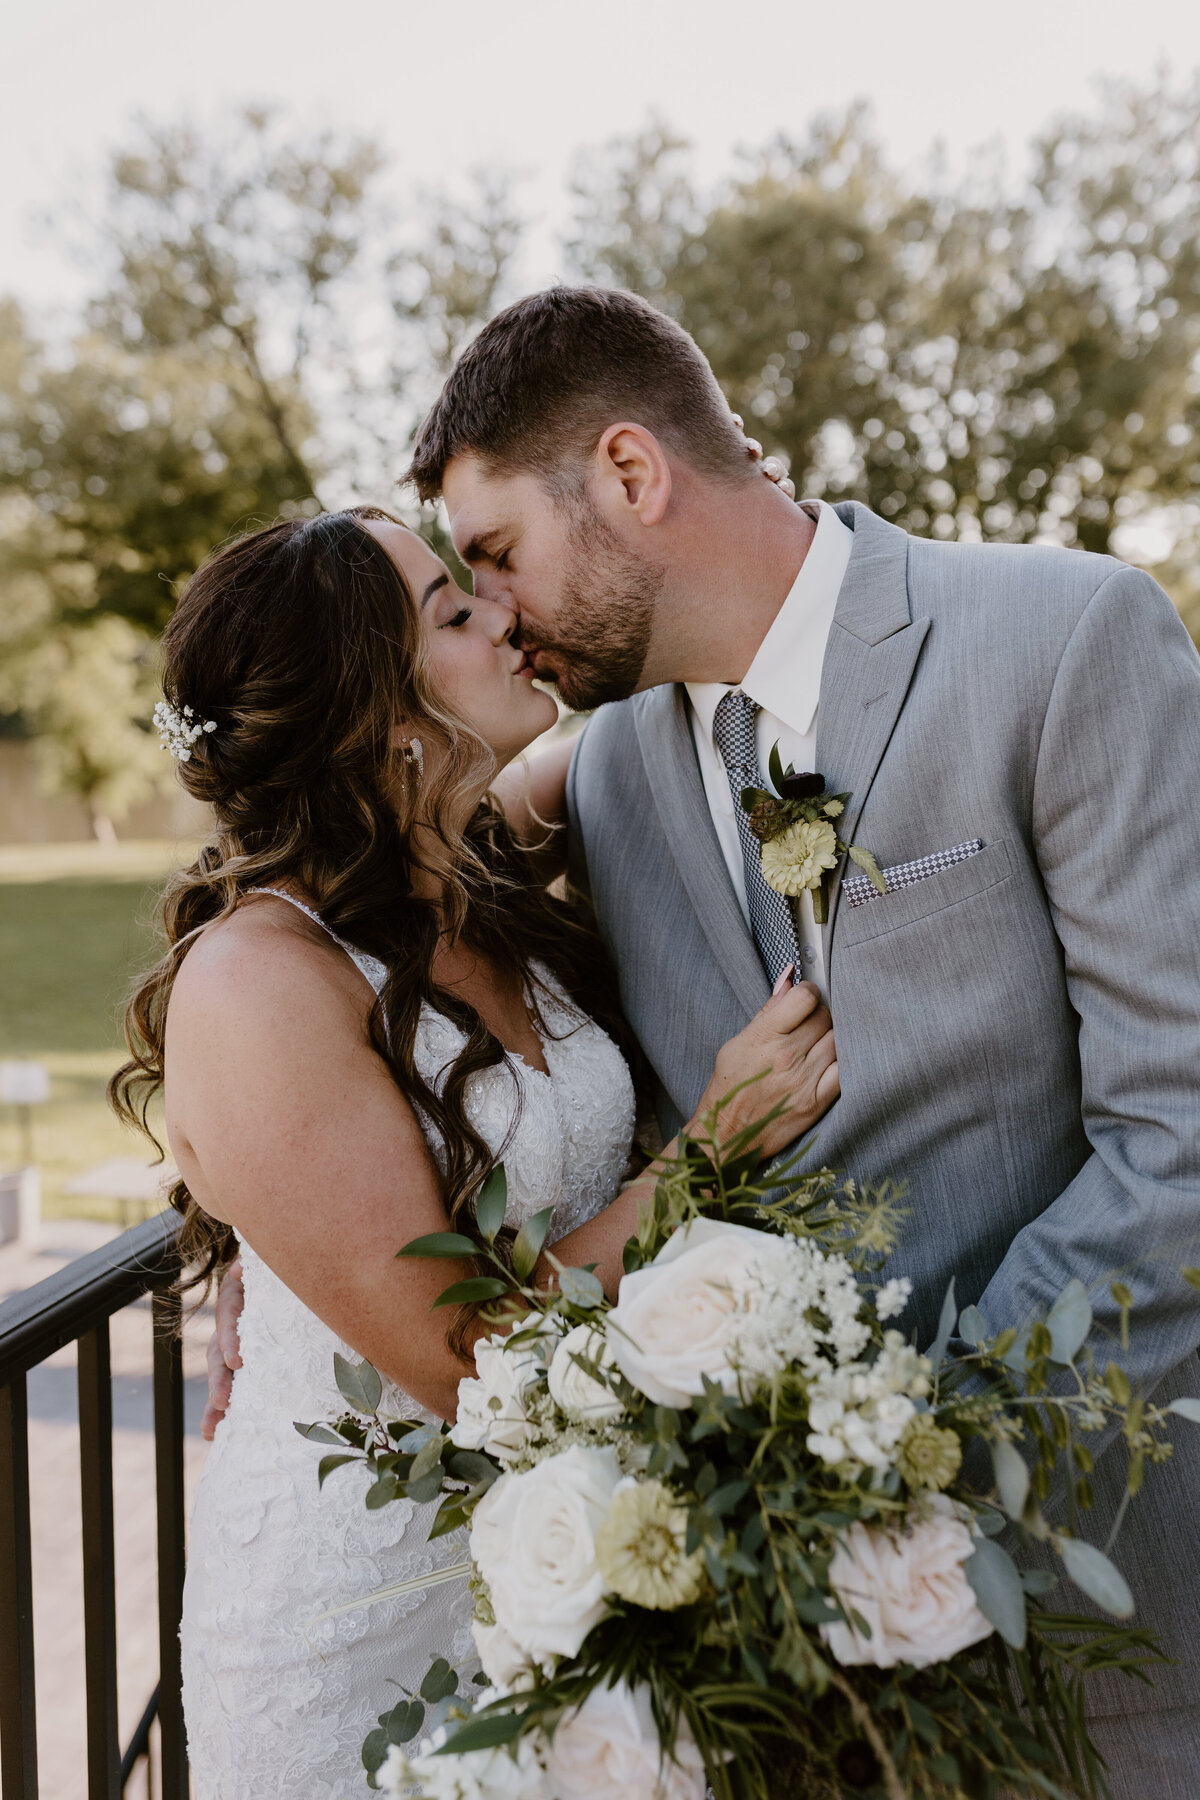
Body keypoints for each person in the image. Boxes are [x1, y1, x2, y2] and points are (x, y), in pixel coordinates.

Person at [395, 285, 1199, 1799]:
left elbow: (1185, 1130)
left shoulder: (1063, 637)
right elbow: (371, 924)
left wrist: (909, 1469)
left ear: (632, 475)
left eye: (497, 555)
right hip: (769, 1676)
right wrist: (256, 1194)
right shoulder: (608, 771)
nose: (491, 613)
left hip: (1112, 1608)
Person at [114, 504, 838, 1799]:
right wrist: (712, 1151)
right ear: (380, 717)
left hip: (564, 1563)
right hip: (349, 1615)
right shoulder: (257, 985)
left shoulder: (471, 859)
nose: (503, 614)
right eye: (454, 615)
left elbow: (645, 703)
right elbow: (466, 1358)